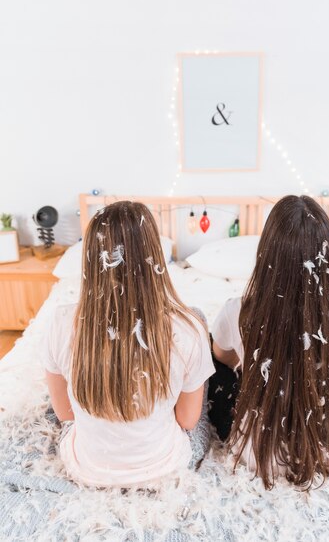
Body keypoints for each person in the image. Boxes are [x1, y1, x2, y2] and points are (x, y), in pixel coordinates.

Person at [44, 201, 214, 488]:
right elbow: (186, 421)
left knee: (50, 403)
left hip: (86, 467)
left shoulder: (61, 322)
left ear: (90, 260)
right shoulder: (188, 329)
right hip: (164, 466)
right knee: (199, 404)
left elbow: (65, 414)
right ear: (155, 257)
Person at [211, 195, 329, 489]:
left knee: (209, 348)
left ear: (266, 256)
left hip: (260, 455)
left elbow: (223, 356)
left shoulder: (238, 310)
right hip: (328, 451)